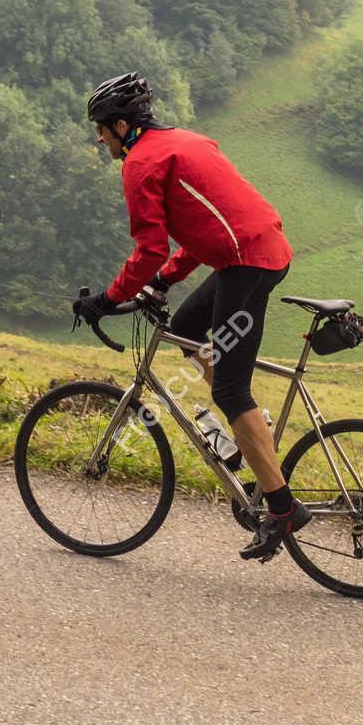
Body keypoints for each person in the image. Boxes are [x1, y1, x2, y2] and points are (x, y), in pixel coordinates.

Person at [74, 72, 311, 560]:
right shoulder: (186, 141)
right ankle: (250, 426)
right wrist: (163, 282)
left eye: (100, 128)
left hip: (250, 262)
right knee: (183, 329)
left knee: (228, 388)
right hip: (249, 250)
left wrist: (107, 298)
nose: (98, 138)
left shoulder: (140, 163)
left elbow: (149, 247)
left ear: (120, 126)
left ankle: (283, 509)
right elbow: (207, 225)